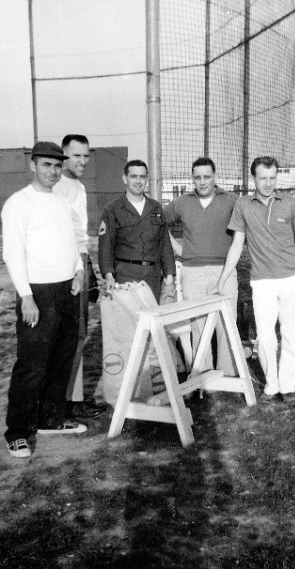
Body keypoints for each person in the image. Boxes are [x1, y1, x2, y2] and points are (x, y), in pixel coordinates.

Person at [2, 141, 88, 459]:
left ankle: (50, 420)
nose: (52, 172)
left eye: (56, 166)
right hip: (37, 293)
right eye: (46, 165)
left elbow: (73, 240)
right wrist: (26, 296)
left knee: (61, 358)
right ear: (33, 165)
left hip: (67, 289)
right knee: (32, 365)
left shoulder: (61, 201)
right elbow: (12, 253)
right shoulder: (18, 203)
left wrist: (78, 270)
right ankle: (17, 432)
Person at [217, 156, 295, 406]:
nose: (268, 183)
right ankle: (271, 385)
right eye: (263, 178)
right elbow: (237, 244)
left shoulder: (290, 203)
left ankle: (288, 388)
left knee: (292, 335)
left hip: (293, 279)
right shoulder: (243, 205)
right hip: (263, 282)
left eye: (272, 178)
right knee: (266, 337)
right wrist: (222, 279)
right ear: (254, 178)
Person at [162, 157, 238, 375]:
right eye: (198, 177)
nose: (203, 182)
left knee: (226, 322)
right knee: (198, 324)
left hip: (224, 271)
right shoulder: (182, 202)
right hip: (192, 271)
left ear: (215, 176)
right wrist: (179, 249)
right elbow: (158, 221)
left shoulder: (231, 200)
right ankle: (203, 374)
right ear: (192, 179)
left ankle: (229, 373)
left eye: (207, 177)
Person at [53, 134, 102, 419]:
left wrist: (87, 266)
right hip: (62, 267)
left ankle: (73, 399)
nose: (82, 161)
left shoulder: (79, 187)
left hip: (80, 263)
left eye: (86, 155)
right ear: (63, 155)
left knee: (79, 332)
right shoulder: (56, 185)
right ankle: (58, 402)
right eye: (76, 155)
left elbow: (80, 235)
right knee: (63, 335)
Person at [98, 159, 176, 301]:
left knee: (152, 320)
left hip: (153, 277)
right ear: (124, 179)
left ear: (147, 179)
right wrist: (109, 276)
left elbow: (165, 244)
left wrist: (169, 276)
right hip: (125, 275)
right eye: (133, 176)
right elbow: (105, 247)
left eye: (142, 176)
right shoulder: (112, 209)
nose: (138, 181)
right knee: (128, 321)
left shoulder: (156, 208)